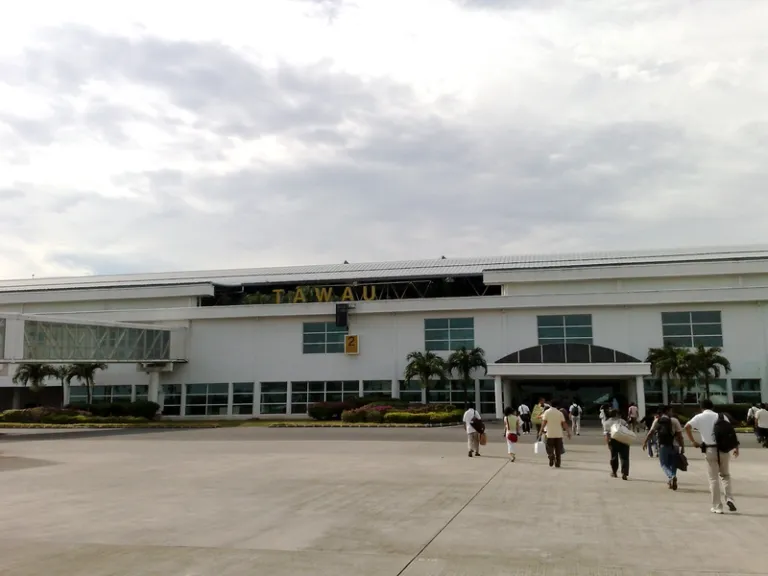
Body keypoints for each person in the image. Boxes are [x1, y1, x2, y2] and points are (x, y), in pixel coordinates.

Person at [684, 399, 739, 514]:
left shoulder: (699, 417)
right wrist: (736, 447)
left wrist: (693, 441)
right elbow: (731, 432)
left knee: (713, 479)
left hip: (710, 450)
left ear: (701, 408)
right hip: (724, 450)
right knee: (725, 475)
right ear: (713, 407)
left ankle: (717, 506)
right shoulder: (722, 416)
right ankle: (729, 499)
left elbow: (687, 427)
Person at [643, 405, 684, 489]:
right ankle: (672, 477)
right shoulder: (675, 420)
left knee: (664, 464)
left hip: (663, 445)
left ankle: (671, 477)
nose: (672, 413)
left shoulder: (657, 420)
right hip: (675, 445)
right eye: (671, 411)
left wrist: (645, 442)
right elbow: (680, 436)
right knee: (673, 464)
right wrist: (682, 446)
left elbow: (651, 433)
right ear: (667, 411)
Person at [539, 400, 571, 468]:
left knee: (549, 447)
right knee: (558, 449)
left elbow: (544, 422)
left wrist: (541, 430)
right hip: (558, 434)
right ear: (557, 405)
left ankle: (551, 456)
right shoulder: (560, 413)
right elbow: (564, 423)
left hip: (549, 433)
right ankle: (557, 463)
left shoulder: (547, 412)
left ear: (550, 404)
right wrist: (568, 432)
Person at [603, 408, 630, 480]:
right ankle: (624, 473)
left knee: (614, 457)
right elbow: (628, 429)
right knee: (624, 457)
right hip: (624, 439)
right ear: (617, 414)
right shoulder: (622, 421)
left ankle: (614, 472)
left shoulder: (606, 423)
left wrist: (608, 443)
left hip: (613, 440)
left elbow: (607, 434)